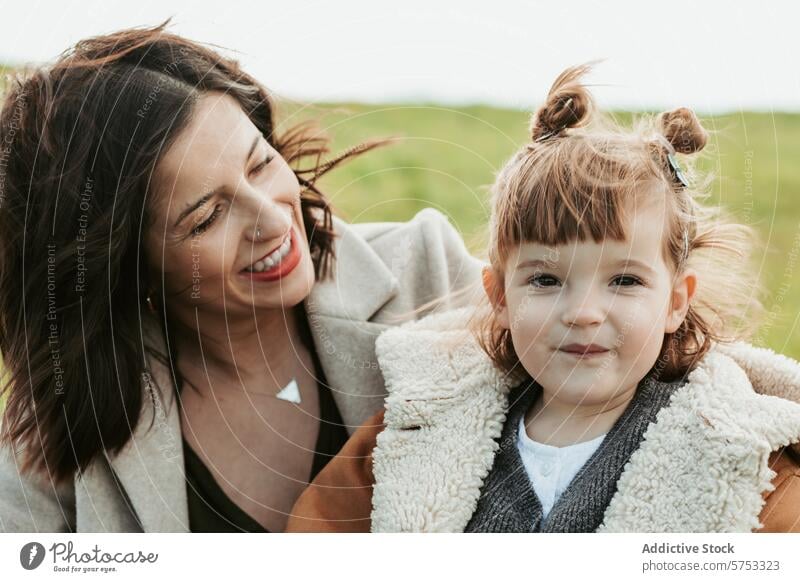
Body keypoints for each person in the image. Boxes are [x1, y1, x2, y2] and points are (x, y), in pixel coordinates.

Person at [0, 22, 481, 532]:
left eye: (259, 165)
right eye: (206, 216)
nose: (273, 221)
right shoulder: (58, 441)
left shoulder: (429, 271)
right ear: (126, 265)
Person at [287, 65, 800, 533]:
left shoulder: (740, 455)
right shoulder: (419, 424)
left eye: (624, 281)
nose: (582, 313)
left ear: (675, 301)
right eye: (546, 281)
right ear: (499, 296)